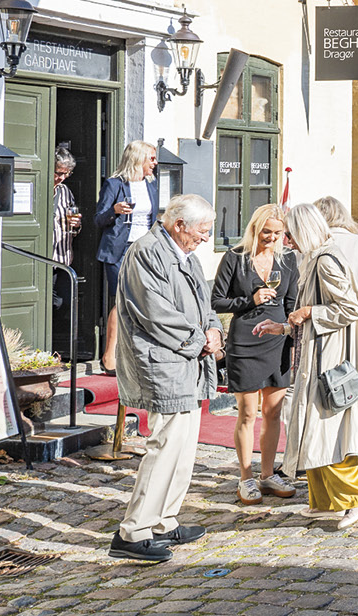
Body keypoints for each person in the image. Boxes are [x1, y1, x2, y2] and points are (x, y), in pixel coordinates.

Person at [253, 204, 358, 530]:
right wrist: (282, 326)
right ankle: (325, 501)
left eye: (290, 235)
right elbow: (305, 314)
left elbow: (349, 309)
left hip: (329, 360)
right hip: (317, 356)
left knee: (328, 431)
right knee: (314, 430)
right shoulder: (316, 258)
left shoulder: (325, 261)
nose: (287, 242)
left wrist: (309, 312)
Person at [108, 194, 221, 563]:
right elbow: (154, 312)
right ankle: (133, 532)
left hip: (186, 361)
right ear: (179, 225)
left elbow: (204, 303)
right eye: (202, 231)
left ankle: (163, 521)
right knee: (165, 446)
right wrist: (198, 340)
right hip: (163, 362)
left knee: (184, 447)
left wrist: (214, 330)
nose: (205, 238)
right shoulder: (147, 252)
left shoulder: (181, 251)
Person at [210, 204, 299, 505]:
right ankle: (246, 477)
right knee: (247, 413)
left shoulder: (287, 261)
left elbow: (292, 302)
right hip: (246, 340)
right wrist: (250, 299)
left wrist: (289, 330)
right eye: (267, 232)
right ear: (254, 229)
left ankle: (267, 474)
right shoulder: (235, 258)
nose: (272, 238)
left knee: (273, 412)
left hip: (277, 341)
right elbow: (218, 301)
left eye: (278, 233)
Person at [95, 141, 160, 372]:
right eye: (151, 158)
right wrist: (114, 211)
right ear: (137, 158)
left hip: (145, 249)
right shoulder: (114, 184)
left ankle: (135, 352)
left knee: (144, 299)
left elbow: (153, 219)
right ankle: (109, 356)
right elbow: (98, 219)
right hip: (119, 250)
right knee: (121, 299)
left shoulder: (151, 185)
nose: (155, 163)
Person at [51, 144, 81, 266]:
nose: (62, 178)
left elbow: (75, 226)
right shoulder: (38, 189)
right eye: (58, 173)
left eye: (66, 174)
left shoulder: (65, 191)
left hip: (63, 259)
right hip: (42, 259)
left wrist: (77, 225)